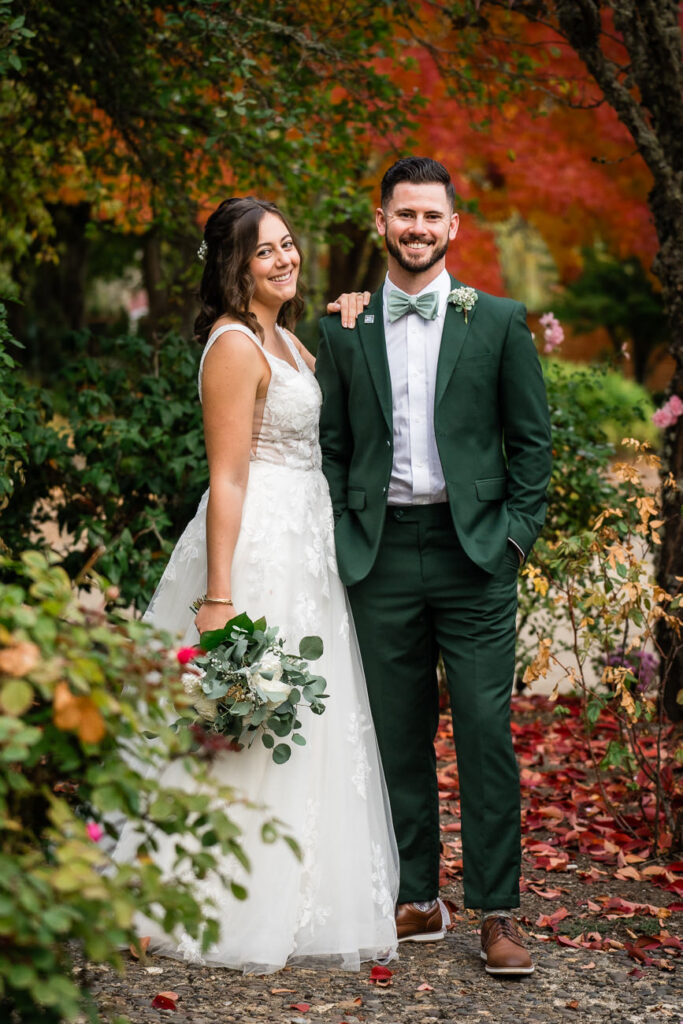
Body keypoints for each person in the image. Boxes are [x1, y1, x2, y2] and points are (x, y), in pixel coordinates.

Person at [112, 197, 399, 973]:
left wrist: (357, 315)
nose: (284, 259)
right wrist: (219, 596)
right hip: (258, 548)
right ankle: (212, 897)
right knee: (242, 718)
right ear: (232, 267)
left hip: (307, 543)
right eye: (263, 251)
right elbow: (228, 477)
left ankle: (296, 889)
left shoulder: (287, 339)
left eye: (288, 244)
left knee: (297, 720)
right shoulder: (235, 345)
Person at [316, 157, 552, 975]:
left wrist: (513, 538)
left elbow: (532, 444)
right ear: (380, 221)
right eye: (403, 214)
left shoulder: (498, 321)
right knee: (395, 735)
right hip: (379, 555)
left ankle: (496, 911)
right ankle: (415, 895)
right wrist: (344, 534)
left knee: (484, 733)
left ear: (452, 227)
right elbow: (332, 444)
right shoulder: (342, 327)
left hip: (474, 555)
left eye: (430, 216)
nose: (416, 228)